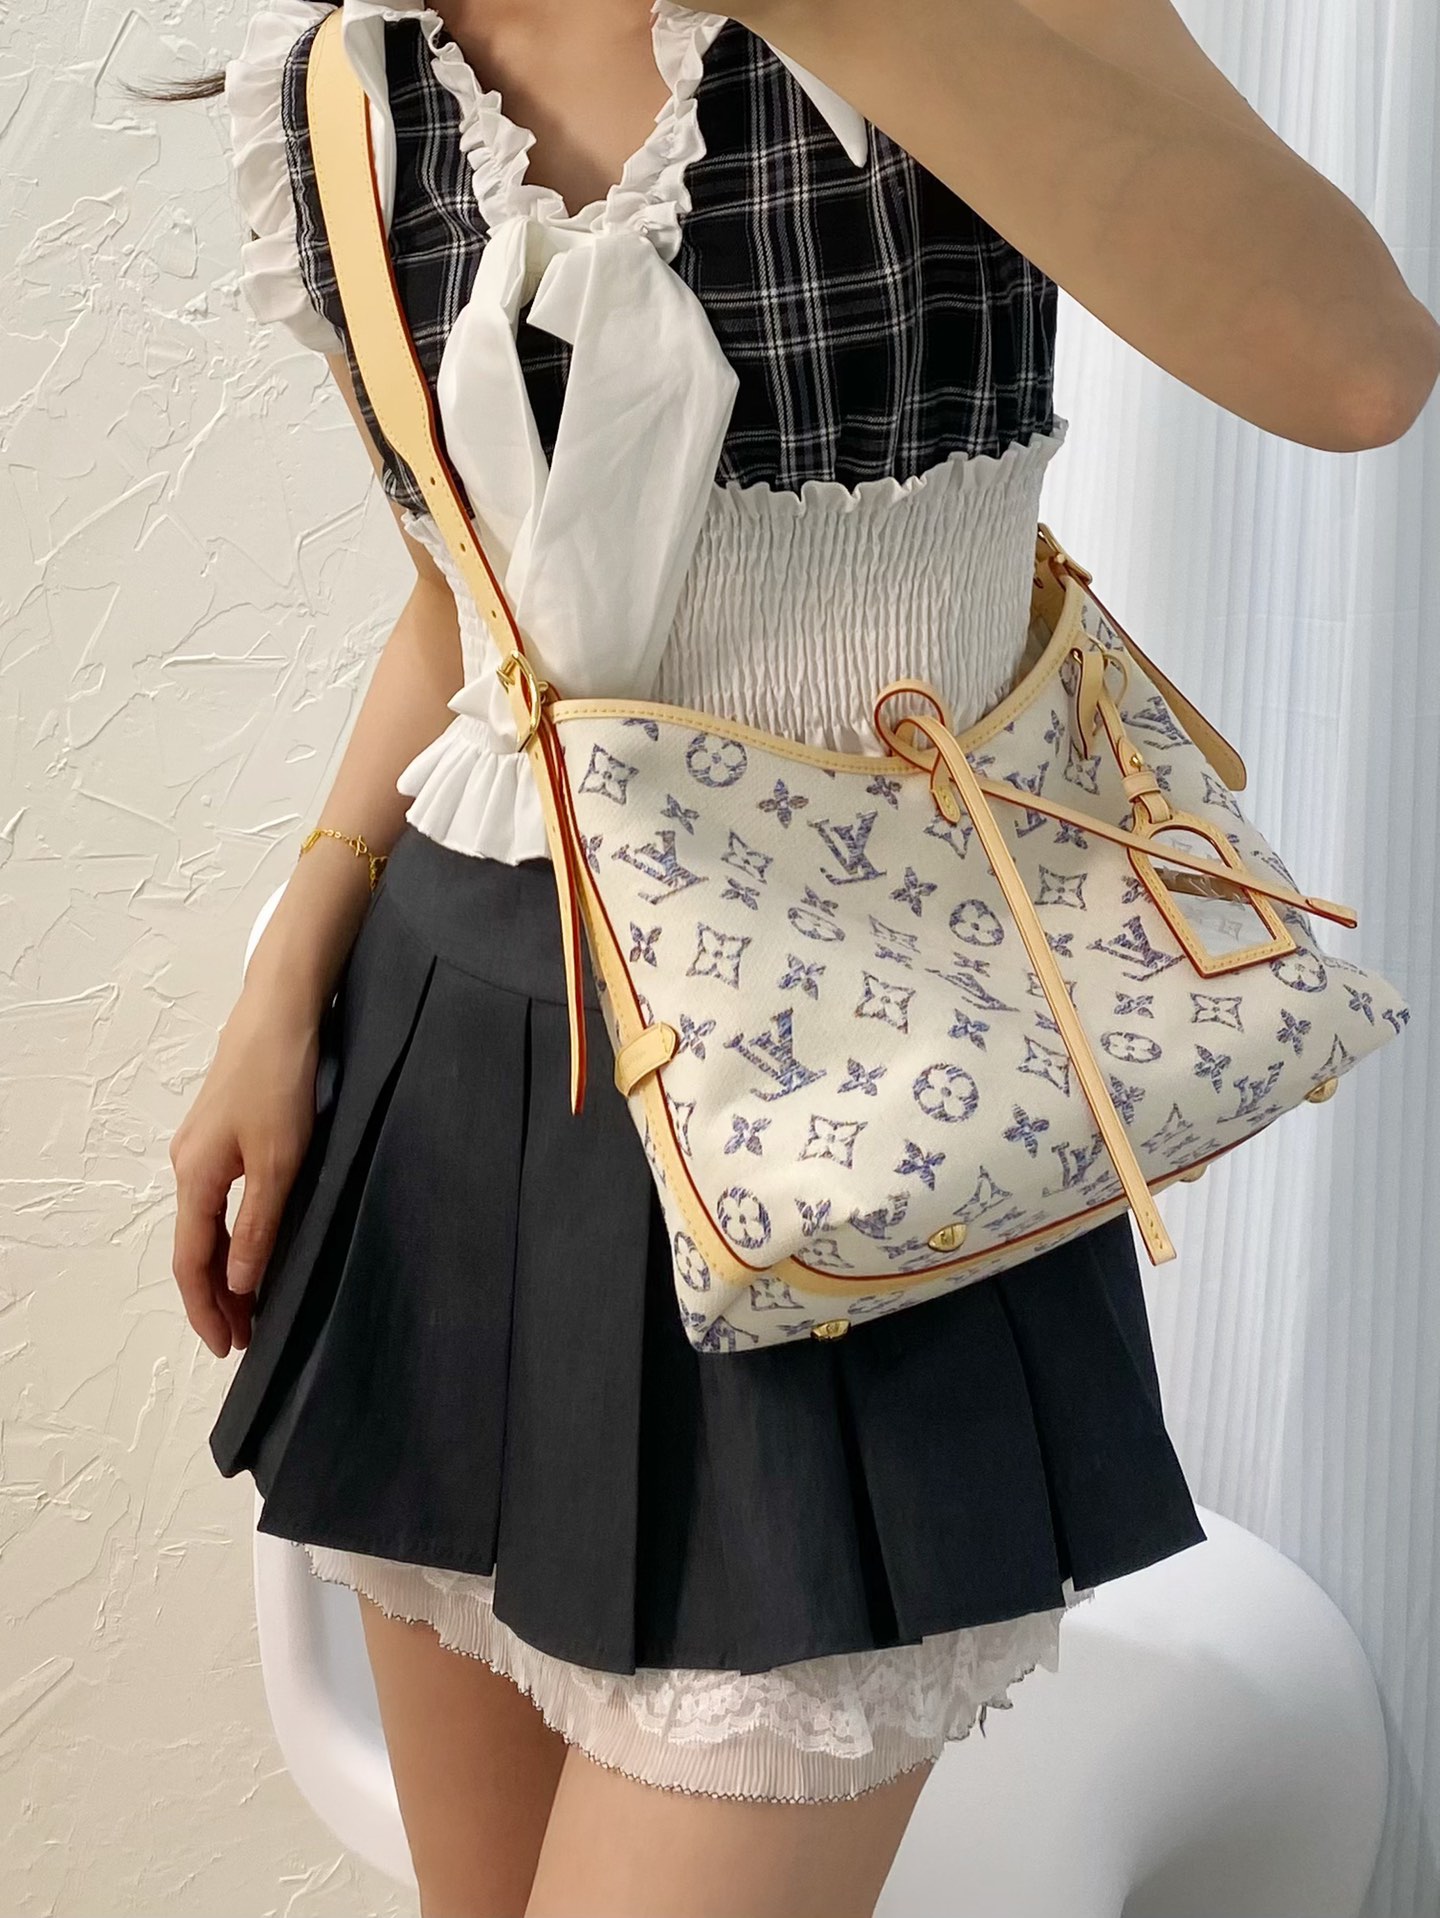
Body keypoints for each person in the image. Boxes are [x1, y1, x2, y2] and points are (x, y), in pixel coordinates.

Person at [160, 3, 1439, 1914]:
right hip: (457, 1081)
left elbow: (1356, 364)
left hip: (860, 1126)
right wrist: (281, 988)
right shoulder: (353, 77)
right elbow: (476, 590)